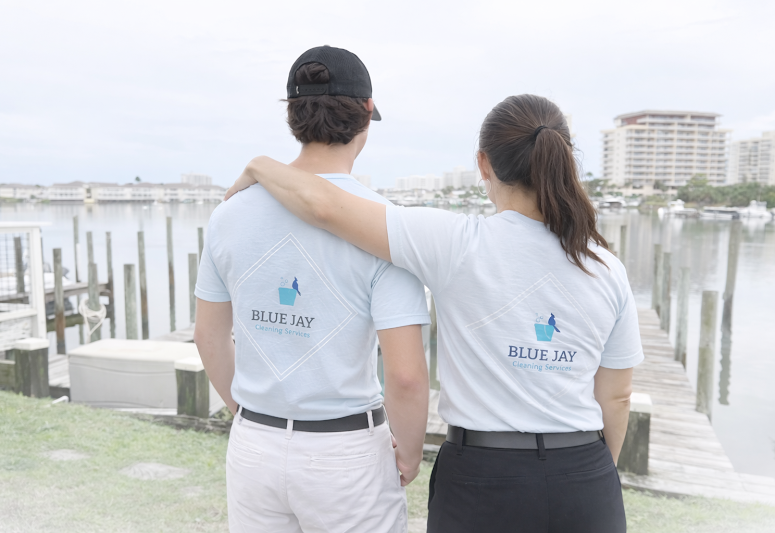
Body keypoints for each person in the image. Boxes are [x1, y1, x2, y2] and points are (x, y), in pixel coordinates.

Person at [224, 94, 644, 533]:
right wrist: (592, 474)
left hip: (481, 477)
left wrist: (260, 166)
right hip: (585, 476)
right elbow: (617, 396)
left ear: (483, 164)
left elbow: (324, 206)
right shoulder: (605, 267)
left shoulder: (454, 244)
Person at [193, 45, 431, 533]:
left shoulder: (229, 214)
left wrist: (249, 415)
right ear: (367, 112)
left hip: (253, 446)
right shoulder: (384, 226)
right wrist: (408, 453)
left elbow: (208, 335)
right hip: (346, 452)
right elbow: (405, 376)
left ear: (292, 115)